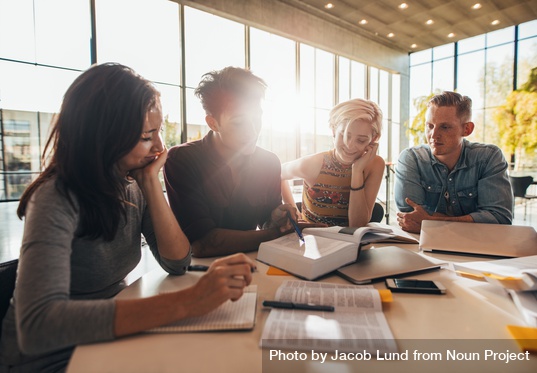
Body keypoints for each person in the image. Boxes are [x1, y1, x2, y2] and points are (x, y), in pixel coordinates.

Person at [0, 63, 255, 372]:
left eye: (159, 132)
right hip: (51, 358)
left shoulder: (133, 184)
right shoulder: (56, 197)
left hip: (108, 337)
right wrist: (188, 302)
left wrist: (150, 184)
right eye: (147, 136)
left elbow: (177, 262)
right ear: (105, 136)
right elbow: (38, 327)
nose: (161, 147)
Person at [164, 67, 298, 258]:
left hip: (253, 263)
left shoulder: (269, 162)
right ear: (212, 123)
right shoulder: (182, 160)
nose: (253, 131)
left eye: (257, 117)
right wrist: (274, 234)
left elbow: (266, 222)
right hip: (202, 273)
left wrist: (275, 218)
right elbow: (203, 243)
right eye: (238, 122)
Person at [395, 91, 513, 233]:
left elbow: (500, 218)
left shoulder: (488, 157)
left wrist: (431, 222)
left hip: (478, 249)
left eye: (444, 127)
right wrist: (471, 221)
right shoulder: (411, 158)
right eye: (430, 126)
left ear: (467, 129)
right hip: (424, 247)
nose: (433, 135)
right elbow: (410, 219)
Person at [281, 98, 385, 227]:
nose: (350, 146)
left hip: (352, 243)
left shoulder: (374, 165)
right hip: (313, 242)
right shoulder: (313, 164)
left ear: (373, 139)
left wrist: (357, 171)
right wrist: (295, 216)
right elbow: (278, 173)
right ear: (334, 130)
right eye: (345, 135)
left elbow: (357, 225)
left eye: (361, 140)